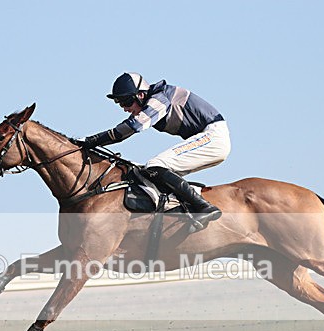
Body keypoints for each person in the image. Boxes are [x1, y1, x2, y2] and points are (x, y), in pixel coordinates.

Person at [78, 72, 231, 230]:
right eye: (120, 103)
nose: (125, 108)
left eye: (127, 101)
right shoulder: (156, 97)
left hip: (213, 137)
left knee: (155, 165)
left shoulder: (159, 98)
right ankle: (187, 211)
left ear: (141, 95)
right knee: (150, 173)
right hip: (210, 138)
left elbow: (133, 126)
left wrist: (92, 141)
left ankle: (204, 208)